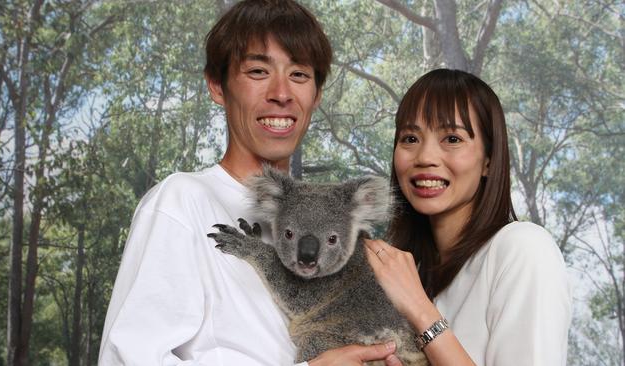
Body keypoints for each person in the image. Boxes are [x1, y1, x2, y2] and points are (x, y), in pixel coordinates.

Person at [98, 1, 402, 365]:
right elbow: (129, 358)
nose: (281, 93)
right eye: (258, 71)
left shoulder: (325, 217)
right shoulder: (182, 201)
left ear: (317, 96)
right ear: (217, 85)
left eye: (300, 75)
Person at [364, 68, 572, 365]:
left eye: (452, 138)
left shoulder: (523, 248)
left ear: (488, 160)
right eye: (410, 138)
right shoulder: (415, 271)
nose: (425, 157)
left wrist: (419, 310)